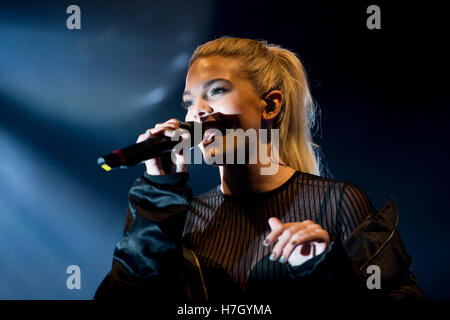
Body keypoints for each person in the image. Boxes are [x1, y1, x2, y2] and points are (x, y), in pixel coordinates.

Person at [94, 37, 425, 303]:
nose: (198, 112)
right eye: (189, 102)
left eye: (217, 92)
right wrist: (159, 189)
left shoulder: (338, 204)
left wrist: (324, 271)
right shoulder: (175, 218)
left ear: (271, 105)